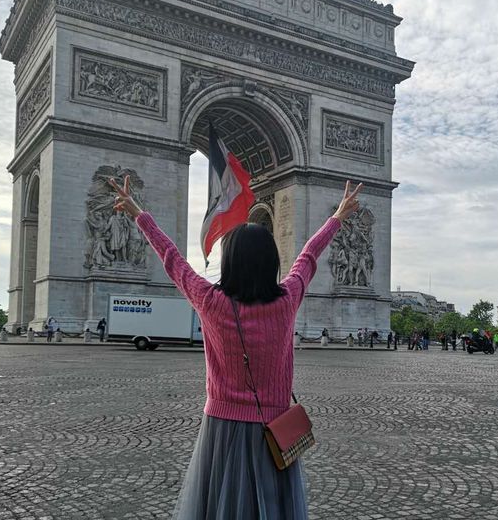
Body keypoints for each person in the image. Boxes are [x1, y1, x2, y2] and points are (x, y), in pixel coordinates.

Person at [109, 174, 363, 518]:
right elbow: (308, 256)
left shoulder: (209, 301)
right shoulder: (287, 299)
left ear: (228, 262)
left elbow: (172, 259)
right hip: (274, 426)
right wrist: (338, 217)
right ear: (272, 262)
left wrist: (139, 213)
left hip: (221, 428)